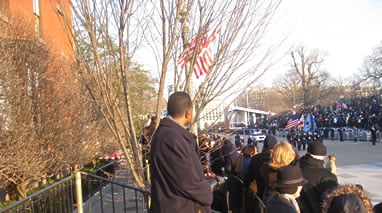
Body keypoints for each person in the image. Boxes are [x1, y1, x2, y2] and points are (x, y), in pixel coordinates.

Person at [150, 92, 212, 213]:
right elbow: (187, 182)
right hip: (177, 207)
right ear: (188, 112)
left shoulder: (171, 135)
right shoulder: (170, 138)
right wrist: (207, 192)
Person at [298, 142, 338, 213]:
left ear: (307, 153)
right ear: (324, 158)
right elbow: (333, 204)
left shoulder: (293, 168)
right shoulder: (328, 177)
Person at [244, 135, 278, 213]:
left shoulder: (256, 158)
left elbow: (248, 177)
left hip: (260, 195)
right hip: (277, 196)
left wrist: (246, 186)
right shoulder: (278, 159)